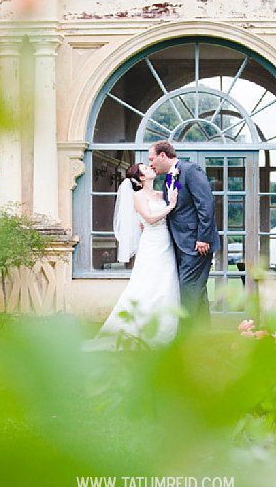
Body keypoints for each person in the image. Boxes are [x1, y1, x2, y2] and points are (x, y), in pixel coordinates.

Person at [84, 162, 181, 350]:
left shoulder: (161, 193)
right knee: (147, 284)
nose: (150, 168)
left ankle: (166, 331)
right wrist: (171, 207)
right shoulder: (138, 196)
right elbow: (151, 218)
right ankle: (139, 330)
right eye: (145, 168)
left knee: (166, 283)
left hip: (166, 243)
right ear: (141, 178)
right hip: (152, 245)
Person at [147, 140, 219, 332]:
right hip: (180, 243)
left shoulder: (190, 170)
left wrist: (203, 237)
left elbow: (206, 204)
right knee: (197, 290)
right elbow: (174, 206)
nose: (151, 164)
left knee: (187, 290)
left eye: (152, 159)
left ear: (163, 155)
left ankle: (185, 339)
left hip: (196, 244)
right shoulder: (169, 178)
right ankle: (203, 336)